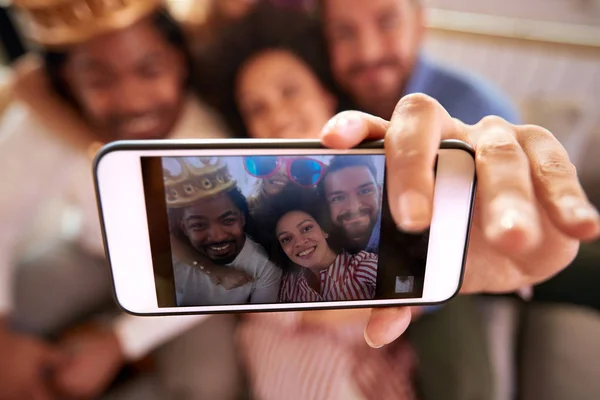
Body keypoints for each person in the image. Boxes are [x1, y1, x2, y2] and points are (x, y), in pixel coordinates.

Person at [0, 1, 244, 399]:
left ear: (180, 62)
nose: (131, 100)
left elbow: (217, 273)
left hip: (192, 284)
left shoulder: (213, 142)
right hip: (94, 256)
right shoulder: (45, 124)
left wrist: (116, 344)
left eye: (149, 70)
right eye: (99, 81)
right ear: (67, 80)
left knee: (207, 385)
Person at [318, 0, 520, 123]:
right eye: (343, 32)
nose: (369, 53)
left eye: (388, 23)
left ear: (419, 23)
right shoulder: (319, 105)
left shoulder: (481, 113)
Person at [164, 157, 282, 306]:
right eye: (199, 225)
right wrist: (212, 269)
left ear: (242, 218)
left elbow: (261, 317)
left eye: (228, 221)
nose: (218, 236)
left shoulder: (264, 268)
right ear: (184, 228)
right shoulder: (172, 255)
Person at [263, 186, 378, 302]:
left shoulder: (365, 267)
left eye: (306, 228)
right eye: (286, 239)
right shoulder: (289, 283)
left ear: (324, 230)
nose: (299, 242)